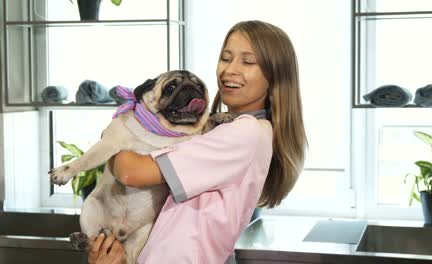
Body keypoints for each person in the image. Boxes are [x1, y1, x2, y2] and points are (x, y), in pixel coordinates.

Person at [89, 20, 307, 263]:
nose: (229, 70)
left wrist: (118, 134)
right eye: (225, 58)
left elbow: (131, 172)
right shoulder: (226, 131)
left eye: (248, 62)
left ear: (275, 76)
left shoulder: (247, 132)